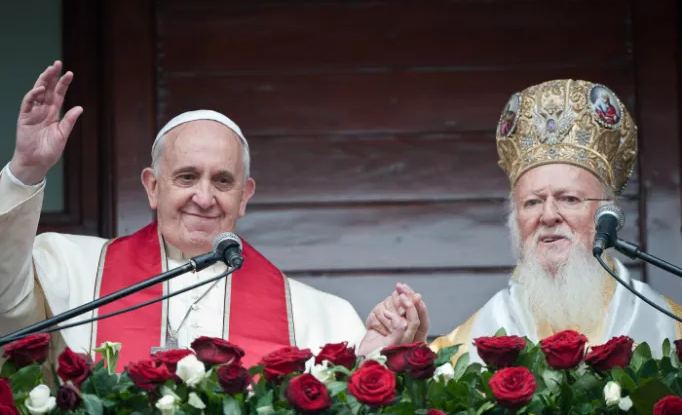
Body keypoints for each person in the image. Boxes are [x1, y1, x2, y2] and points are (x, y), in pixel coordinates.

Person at [0, 61, 366, 370]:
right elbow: (8, 303)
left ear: (244, 197)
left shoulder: (318, 316)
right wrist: (26, 171)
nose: (204, 198)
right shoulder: (70, 267)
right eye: (187, 177)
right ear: (153, 187)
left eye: (222, 181)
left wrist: (376, 355)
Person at [358, 78, 682, 362]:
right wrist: (386, 357)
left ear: (606, 215)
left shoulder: (669, 325)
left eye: (569, 199)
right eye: (532, 202)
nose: (549, 215)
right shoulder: (478, 337)